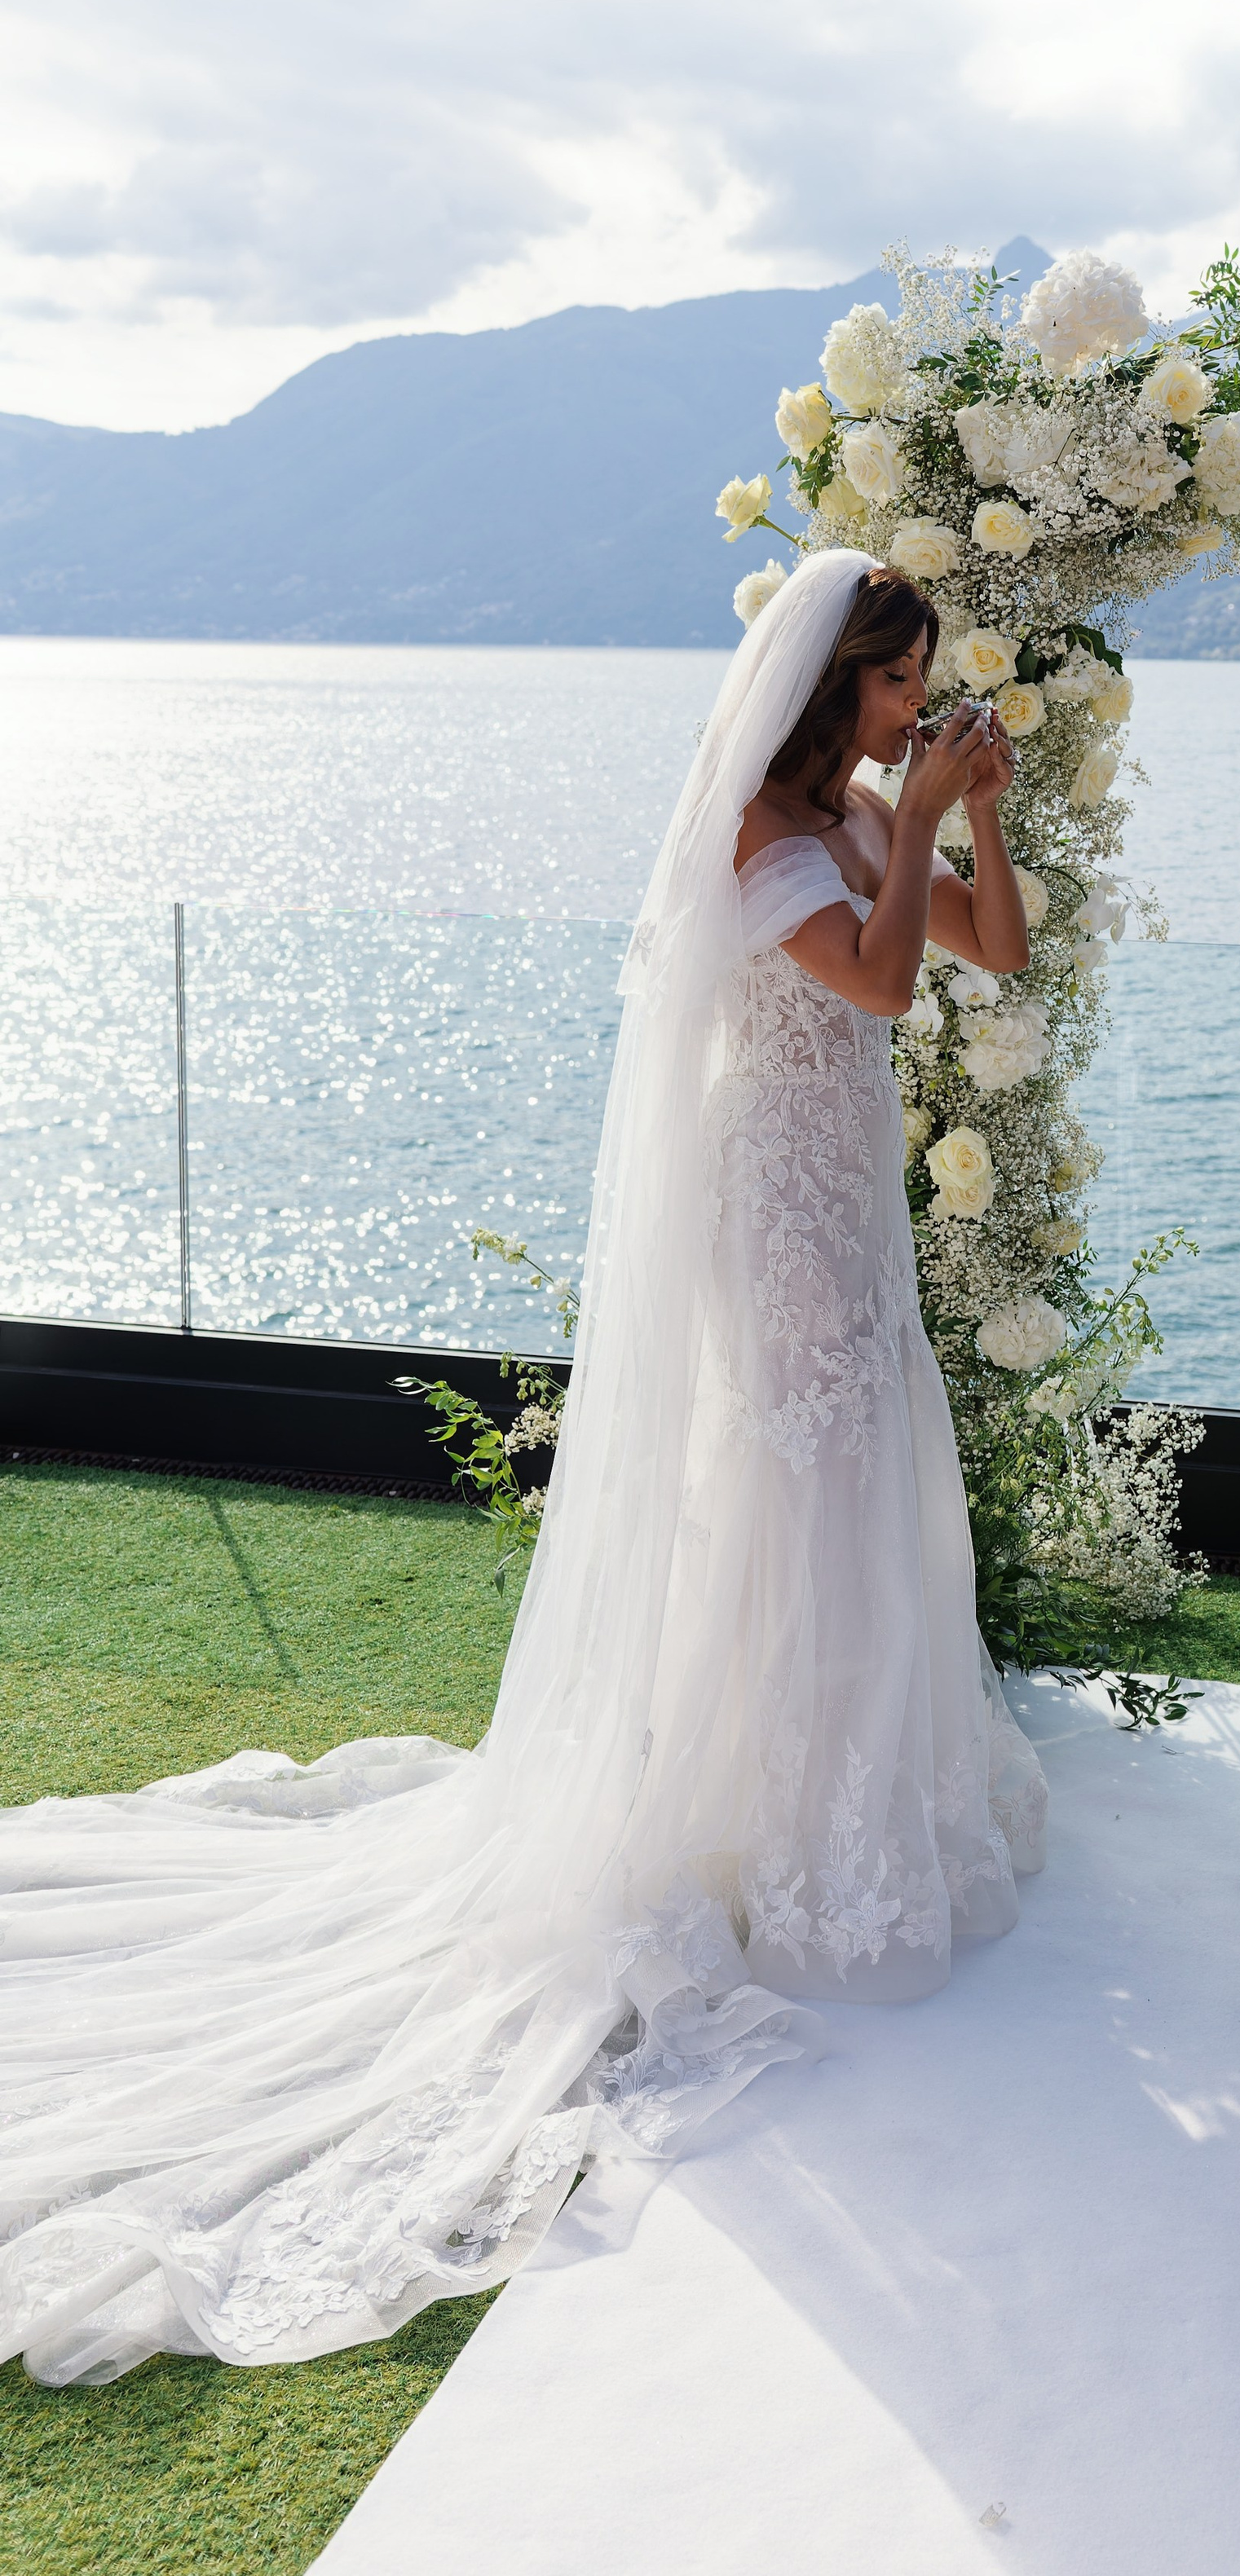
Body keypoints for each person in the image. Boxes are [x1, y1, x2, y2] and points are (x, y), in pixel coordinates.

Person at [0, 548, 1046, 2385]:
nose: (916, 706)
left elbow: (992, 951)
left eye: (920, 685)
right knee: (797, 1491)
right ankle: (770, 1830)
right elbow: (882, 989)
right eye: (898, 683)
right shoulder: (762, 840)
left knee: (856, 1481)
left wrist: (979, 822)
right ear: (834, 689)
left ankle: (834, 1807)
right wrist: (926, 816)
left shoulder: (863, 814)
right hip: (773, 1215)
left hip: (842, 1203)